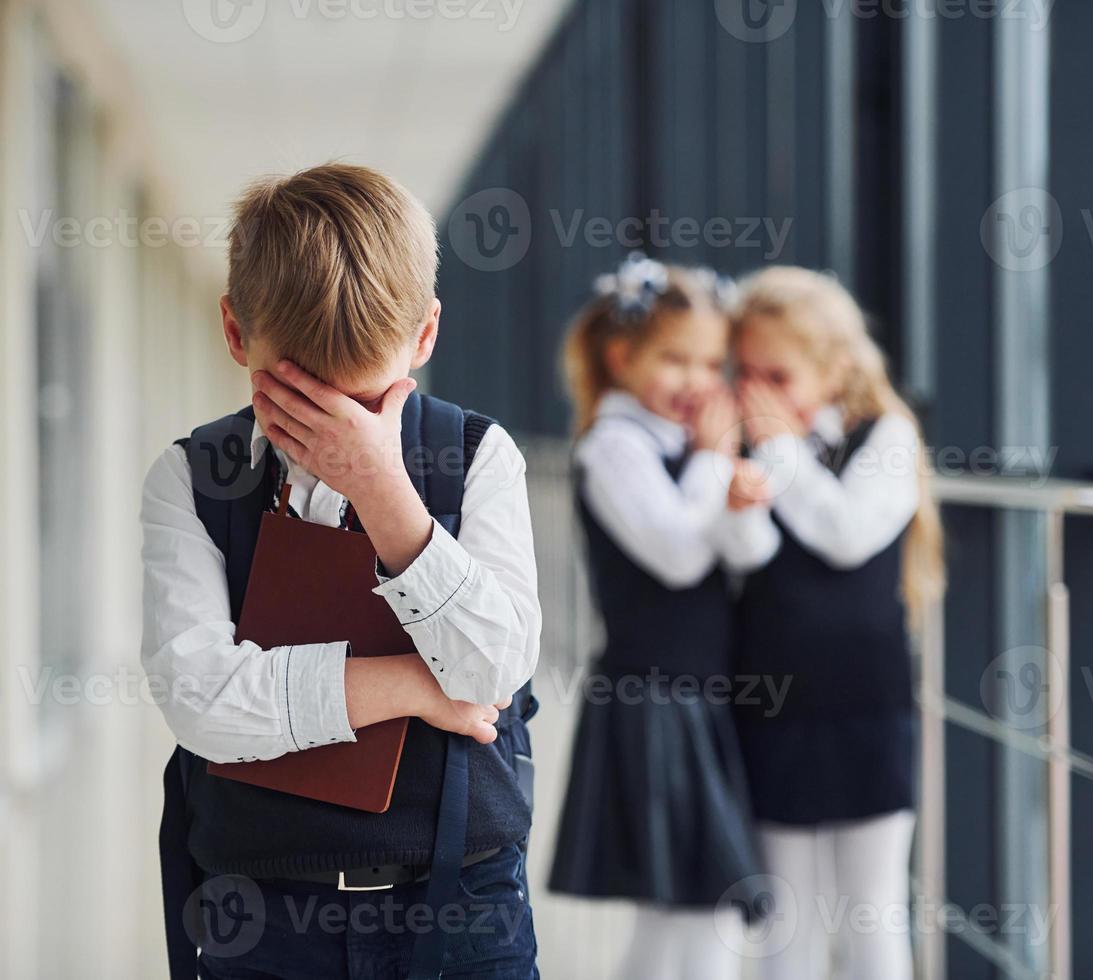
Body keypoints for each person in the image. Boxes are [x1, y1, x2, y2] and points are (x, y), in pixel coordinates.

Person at [140, 163, 542, 979]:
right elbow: (205, 701)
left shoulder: (477, 457)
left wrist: (381, 488)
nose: (331, 433)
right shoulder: (193, 475)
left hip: (461, 900)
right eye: (295, 396)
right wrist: (422, 688)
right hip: (264, 911)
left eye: (359, 403)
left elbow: (499, 663)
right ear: (236, 334)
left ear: (424, 337)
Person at [548, 253, 770, 980]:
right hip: (653, 697)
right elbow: (677, 555)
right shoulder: (614, 446)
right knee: (699, 906)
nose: (698, 382)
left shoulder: (674, 447)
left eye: (712, 364)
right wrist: (713, 460)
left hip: (690, 696)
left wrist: (731, 488)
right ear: (622, 356)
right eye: (676, 360)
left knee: (683, 910)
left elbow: (738, 555)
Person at [727, 266, 946, 980]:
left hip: (864, 703)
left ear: (836, 369)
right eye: (746, 374)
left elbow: (846, 531)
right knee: (785, 913)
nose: (758, 396)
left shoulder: (887, 436)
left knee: (871, 911)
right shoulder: (745, 448)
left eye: (779, 376)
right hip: (773, 701)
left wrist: (781, 452)